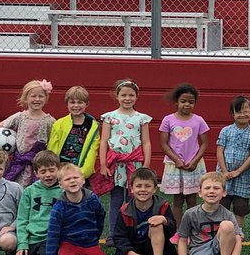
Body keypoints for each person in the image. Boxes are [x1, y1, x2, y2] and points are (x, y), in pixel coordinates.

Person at [98, 78, 152, 236]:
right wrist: (103, 164)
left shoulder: (142, 118)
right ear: (117, 96)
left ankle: (131, 232)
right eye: (123, 95)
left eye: (131, 95)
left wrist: (146, 164)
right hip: (116, 165)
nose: (127, 98)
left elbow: (146, 142)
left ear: (137, 97)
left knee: (132, 199)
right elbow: (104, 141)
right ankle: (113, 234)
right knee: (115, 200)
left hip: (134, 163)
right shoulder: (109, 117)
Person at [0, 79, 56, 186]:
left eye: (41, 96)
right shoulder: (20, 117)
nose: (37, 99)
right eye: (33, 96)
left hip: (38, 165)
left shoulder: (50, 121)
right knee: (14, 187)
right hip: (18, 163)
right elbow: (0, 125)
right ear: (26, 98)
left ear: (46, 98)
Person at [159, 83, 209, 236]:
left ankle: (193, 229)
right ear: (176, 102)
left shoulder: (199, 120)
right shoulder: (168, 120)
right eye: (183, 101)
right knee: (178, 200)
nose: (187, 104)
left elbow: (205, 143)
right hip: (175, 166)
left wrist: (194, 161)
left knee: (192, 199)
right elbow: (163, 143)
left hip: (193, 165)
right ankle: (178, 231)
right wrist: (176, 160)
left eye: (191, 101)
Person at [44, 163, 111, 255]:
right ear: (60, 184)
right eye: (67, 179)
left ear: (83, 180)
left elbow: (100, 218)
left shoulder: (93, 199)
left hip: (89, 243)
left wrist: (96, 239)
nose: (72, 181)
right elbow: (52, 235)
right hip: (69, 243)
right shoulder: (59, 207)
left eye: (75, 177)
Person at [110, 166, 176, 255]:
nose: (143, 189)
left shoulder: (162, 205)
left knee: (156, 222)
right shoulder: (125, 210)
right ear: (131, 189)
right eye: (138, 186)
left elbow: (172, 230)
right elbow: (118, 237)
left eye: (148, 186)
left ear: (155, 188)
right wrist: (131, 254)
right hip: (132, 249)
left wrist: (165, 220)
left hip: (153, 248)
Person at [178, 171, 243, 255]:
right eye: (207, 188)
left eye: (216, 188)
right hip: (199, 249)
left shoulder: (227, 214)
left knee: (227, 225)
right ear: (200, 192)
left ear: (224, 193)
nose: (211, 191)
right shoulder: (190, 214)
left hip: (221, 250)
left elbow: (238, 241)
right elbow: (182, 240)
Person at [13, 150, 62, 255]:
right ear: (36, 173)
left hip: (51, 237)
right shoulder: (29, 191)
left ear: (58, 169)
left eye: (52, 170)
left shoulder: (63, 191)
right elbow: (22, 219)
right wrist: (22, 243)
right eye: (43, 171)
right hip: (33, 238)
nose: (48, 175)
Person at [217, 95, 250, 232]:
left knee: (240, 205)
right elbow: (220, 151)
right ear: (232, 114)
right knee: (222, 202)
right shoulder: (226, 131)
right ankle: (221, 228)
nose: (243, 114)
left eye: (246, 111)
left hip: (243, 176)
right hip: (224, 174)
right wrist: (224, 170)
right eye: (239, 112)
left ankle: (238, 229)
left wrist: (239, 171)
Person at [47, 85, 99, 179]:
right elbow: (52, 149)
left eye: (80, 102)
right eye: (72, 102)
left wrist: (83, 172)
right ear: (67, 104)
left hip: (79, 170)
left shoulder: (92, 126)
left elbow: (92, 151)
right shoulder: (59, 124)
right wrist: (53, 170)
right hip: (60, 170)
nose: (76, 106)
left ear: (86, 104)